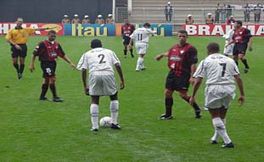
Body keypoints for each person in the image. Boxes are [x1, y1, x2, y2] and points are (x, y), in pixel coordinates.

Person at [190, 42, 245, 148]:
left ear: (208, 50)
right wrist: (242, 94)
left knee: (214, 115)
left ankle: (227, 141)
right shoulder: (230, 60)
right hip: (229, 88)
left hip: (214, 88)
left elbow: (198, 80)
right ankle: (215, 137)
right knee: (222, 114)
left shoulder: (206, 61)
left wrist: (193, 95)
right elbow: (238, 77)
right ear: (218, 49)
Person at [76, 39, 125, 131]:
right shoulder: (109, 51)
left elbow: (83, 70)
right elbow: (117, 65)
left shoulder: (87, 54)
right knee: (113, 96)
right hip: (108, 73)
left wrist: (85, 85)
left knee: (94, 98)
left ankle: (95, 126)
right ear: (101, 45)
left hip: (94, 74)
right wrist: (122, 79)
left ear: (91, 46)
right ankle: (114, 123)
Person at [155, 30, 201, 119]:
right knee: (167, 93)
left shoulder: (190, 49)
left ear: (187, 37)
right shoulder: (174, 47)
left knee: (183, 95)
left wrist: (192, 76)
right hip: (172, 73)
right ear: (177, 37)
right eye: (180, 36)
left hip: (183, 74)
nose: (181, 38)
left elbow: (193, 63)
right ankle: (168, 114)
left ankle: (197, 108)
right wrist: (161, 55)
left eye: (183, 36)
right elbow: (169, 53)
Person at [29, 30, 76, 102]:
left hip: (53, 63)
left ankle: (42, 97)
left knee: (46, 79)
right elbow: (34, 54)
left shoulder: (57, 44)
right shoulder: (42, 44)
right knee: (52, 78)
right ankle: (55, 97)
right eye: (51, 36)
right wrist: (31, 64)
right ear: (48, 35)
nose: (53, 37)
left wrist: (70, 62)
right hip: (45, 63)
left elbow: (62, 55)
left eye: (54, 36)